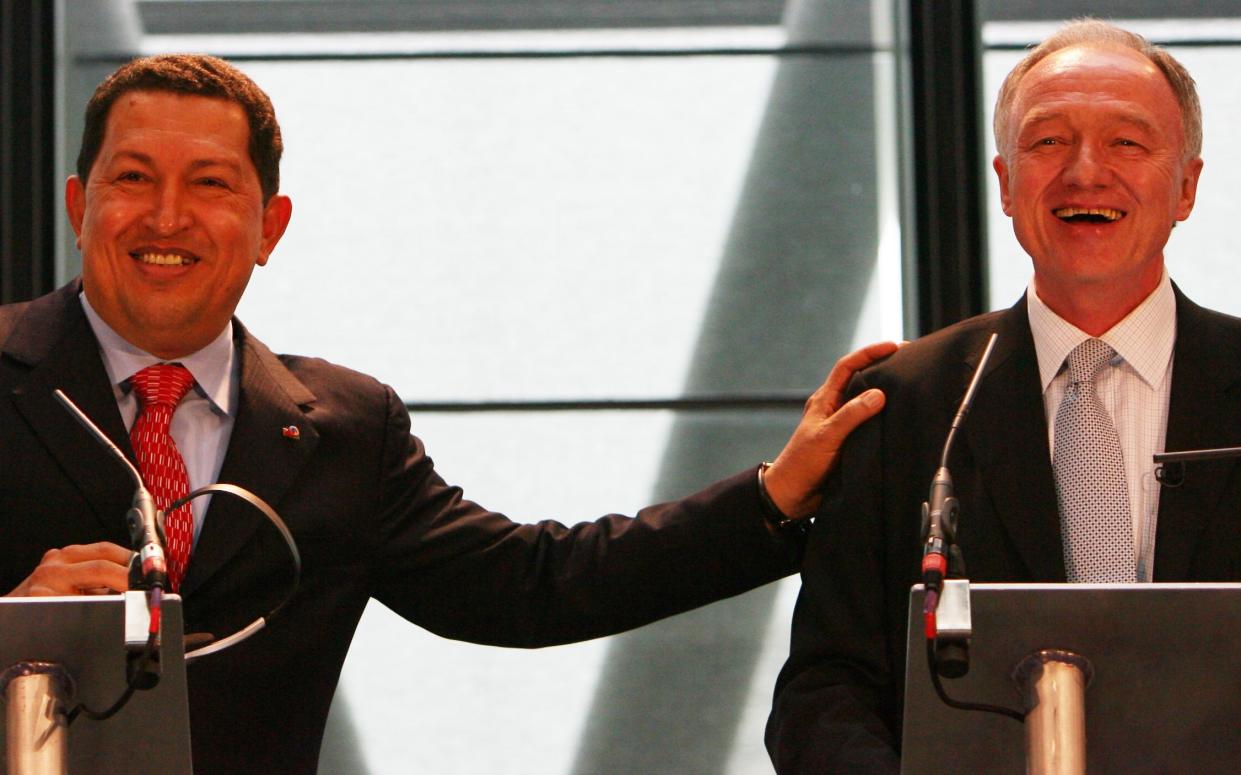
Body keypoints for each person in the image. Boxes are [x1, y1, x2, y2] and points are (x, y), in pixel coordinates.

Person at [0, 54, 894, 773]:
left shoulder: (344, 429)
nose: (167, 215)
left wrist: (773, 497)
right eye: (133, 177)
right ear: (82, 206)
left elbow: (535, 583)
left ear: (269, 226)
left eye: (209, 184)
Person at [766, 18, 1241, 773]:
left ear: (1185, 185)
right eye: (1048, 141)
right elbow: (826, 687)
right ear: (1005, 184)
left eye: (1126, 141)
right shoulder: (904, 405)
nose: (1085, 172)